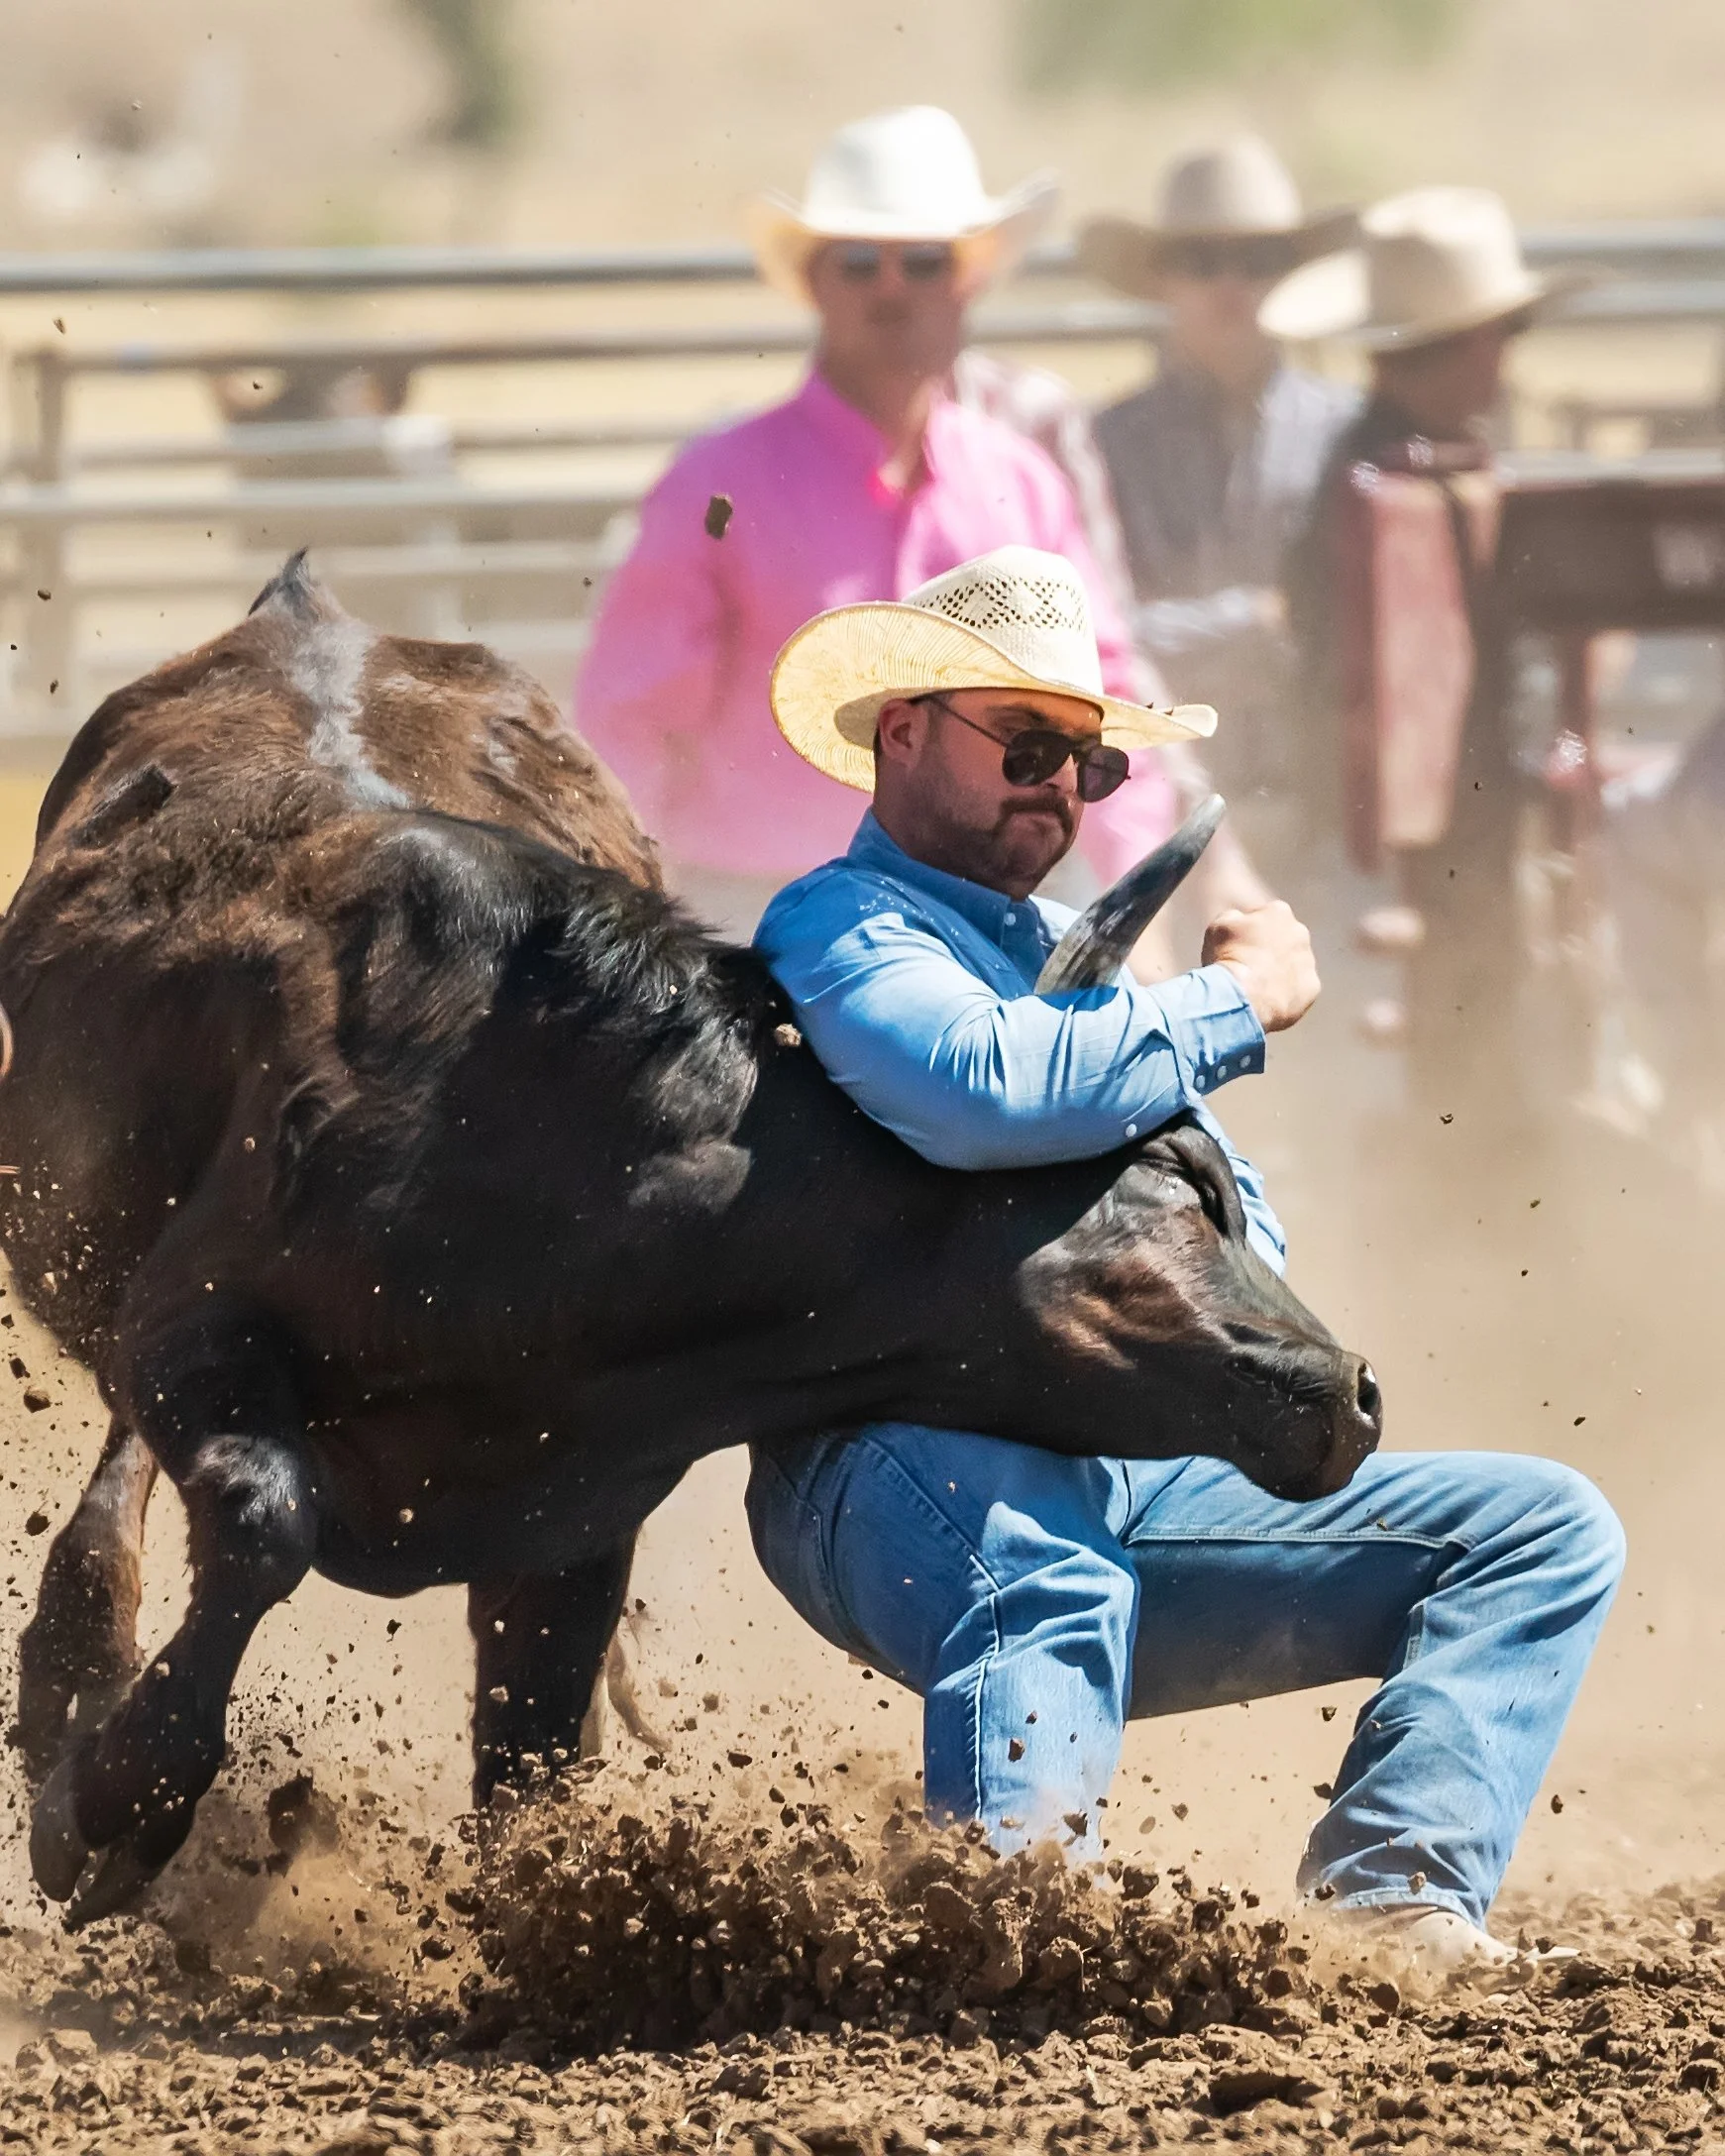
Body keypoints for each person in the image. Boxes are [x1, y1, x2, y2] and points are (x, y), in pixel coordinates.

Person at [744, 544, 1625, 1980]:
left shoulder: (1082, 976)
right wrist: (1234, 1002)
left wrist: (1156, 1050)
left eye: (1082, 765)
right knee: (1042, 1573)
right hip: (887, 1455)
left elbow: (1237, 1238)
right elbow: (979, 1085)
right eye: (1026, 745)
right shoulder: (845, 926)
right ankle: (1014, 1942)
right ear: (901, 731)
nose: (1057, 789)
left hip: (1104, 1463)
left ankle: (1390, 1907)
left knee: (1538, 1530)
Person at [575, 106, 1178, 940]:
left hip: (982, 913)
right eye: (859, 262)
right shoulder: (715, 485)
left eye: (923, 261)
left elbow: (1102, 692)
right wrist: (628, 915)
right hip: (758, 918)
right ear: (817, 282)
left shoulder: (1018, 480)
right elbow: (629, 721)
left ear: (966, 279)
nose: (891, 287)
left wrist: (1132, 898)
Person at [1273, 187, 1565, 1120]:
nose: (1506, 354)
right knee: (1429, 1056)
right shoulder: (1385, 488)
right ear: (1458, 345)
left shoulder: (1402, 469)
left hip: (1437, 824)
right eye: (1502, 330)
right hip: (1416, 840)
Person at [1079, 140, 1359, 811]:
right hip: (1157, 798)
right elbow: (1096, 640)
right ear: (1164, 280)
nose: (1231, 284)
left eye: (1258, 261)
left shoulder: (1350, 434)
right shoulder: (1102, 446)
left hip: (1325, 798)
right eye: (1201, 261)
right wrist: (1259, 624)